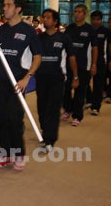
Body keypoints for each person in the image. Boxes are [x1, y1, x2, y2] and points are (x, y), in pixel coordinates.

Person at [0, 0, 42, 170]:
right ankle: (4, 151)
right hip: (0, 80)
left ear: (18, 8)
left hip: (17, 83)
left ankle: (19, 153)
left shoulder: (28, 31)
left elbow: (37, 57)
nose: (4, 8)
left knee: (15, 118)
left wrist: (27, 78)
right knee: (2, 118)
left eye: (8, 5)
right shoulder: (0, 30)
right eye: (4, 5)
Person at [35, 9, 78, 152]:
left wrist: (75, 76)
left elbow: (71, 57)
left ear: (55, 21)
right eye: (44, 17)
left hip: (57, 79)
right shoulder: (38, 38)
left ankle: (49, 139)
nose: (45, 19)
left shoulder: (63, 38)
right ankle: (45, 129)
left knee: (53, 109)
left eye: (48, 17)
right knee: (42, 108)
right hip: (41, 79)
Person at [62, 4, 98, 127]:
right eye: (75, 11)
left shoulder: (90, 30)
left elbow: (95, 48)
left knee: (80, 92)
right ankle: (68, 109)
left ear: (85, 14)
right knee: (66, 89)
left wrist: (93, 64)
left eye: (79, 12)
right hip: (68, 65)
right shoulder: (69, 28)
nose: (76, 14)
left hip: (84, 66)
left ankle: (77, 116)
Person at [87, 10, 111, 116]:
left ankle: (96, 107)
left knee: (98, 85)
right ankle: (89, 100)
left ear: (101, 20)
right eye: (93, 19)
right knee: (85, 83)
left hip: (101, 61)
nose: (95, 21)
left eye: (98, 19)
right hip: (87, 61)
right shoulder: (88, 30)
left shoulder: (106, 31)